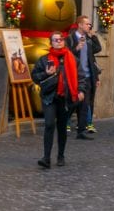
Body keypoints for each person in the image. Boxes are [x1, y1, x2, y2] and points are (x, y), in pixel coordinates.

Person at [32, 32, 82, 169]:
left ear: (64, 42)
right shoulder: (44, 59)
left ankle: (60, 156)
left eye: (61, 39)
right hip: (49, 97)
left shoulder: (72, 59)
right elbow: (35, 77)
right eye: (55, 40)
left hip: (65, 98)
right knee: (49, 125)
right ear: (51, 43)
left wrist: (81, 90)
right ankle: (46, 158)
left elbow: (81, 76)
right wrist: (46, 73)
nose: (59, 42)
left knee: (61, 128)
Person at [69, 15, 101, 139]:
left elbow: (95, 53)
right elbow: (66, 55)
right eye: (87, 24)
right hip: (74, 76)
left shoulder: (88, 39)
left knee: (85, 104)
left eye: (90, 24)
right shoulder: (71, 38)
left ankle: (81, 131)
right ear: (80, 25)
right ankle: (64, 122)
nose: (89, 26)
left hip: (87, 76)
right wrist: (76, 48)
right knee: (73, 103)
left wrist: (96, 77)